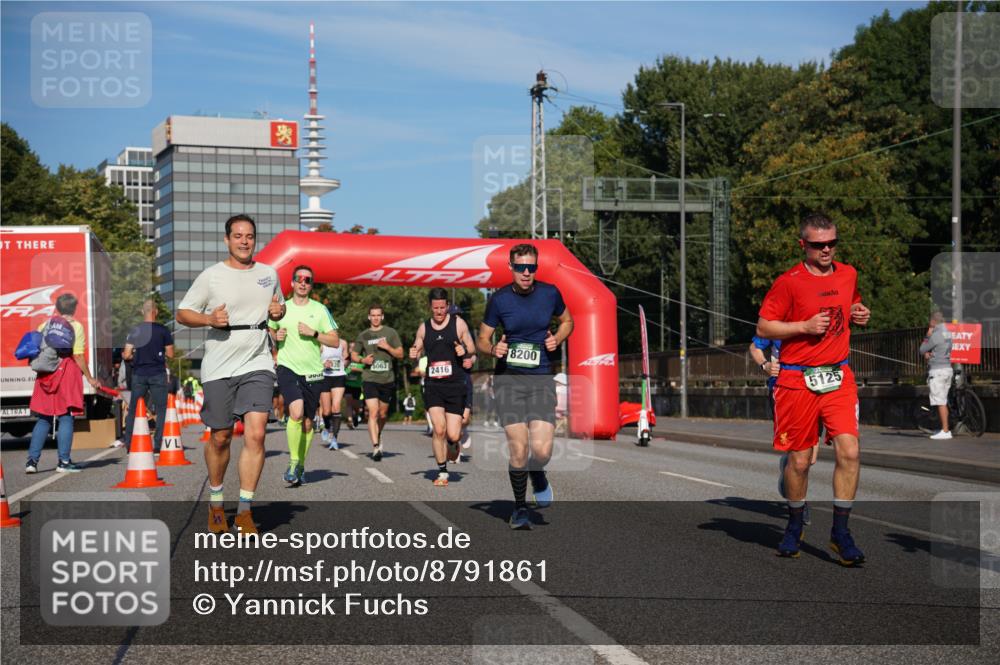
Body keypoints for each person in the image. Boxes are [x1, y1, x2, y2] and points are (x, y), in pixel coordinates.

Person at [757, 212, 870, 565]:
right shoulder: (788, 282)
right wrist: (803, 326)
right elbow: (764, 327)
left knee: (849, 452)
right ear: (802, 244)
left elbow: (851, 304)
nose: (826, 250)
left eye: (832, 243)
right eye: (819, 244)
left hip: (837, 377)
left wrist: (859, 313)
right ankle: (793, 525)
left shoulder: (849, 273)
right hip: (795, 379)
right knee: (800, 461)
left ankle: (841, 533)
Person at [177, 214, 286, 535]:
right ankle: (215, 500)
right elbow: (183, 313)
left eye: (249, 236)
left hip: (257, 360)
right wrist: (209, 319)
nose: (244, 241)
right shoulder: (212, 276)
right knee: (221, 436)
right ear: (227, 240)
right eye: (237, 236)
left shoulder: (269, 274)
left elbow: (277, 307)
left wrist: (279, 311)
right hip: (220, 363)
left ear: (255, 240)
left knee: (256, 433)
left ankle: (244, 510)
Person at [477, 243, 573, 529]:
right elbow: (483, 338)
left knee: (541, 452)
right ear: (511, 268)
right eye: (521, 267)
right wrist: (492, 349)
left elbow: (567, 320)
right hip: (508, 381)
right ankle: (519, 509)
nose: (527, 272)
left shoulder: (550, 293)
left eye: (531, 267)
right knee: (518, 448)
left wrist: (559, 336)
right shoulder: (499, 300)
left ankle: (537, 472)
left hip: (541, 379)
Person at [269, 265, 339, 485]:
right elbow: (269, 330)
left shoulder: (320, 310)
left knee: (308, 424)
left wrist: (314, 333)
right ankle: (292, 463)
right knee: (296, 412)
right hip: (287, 367)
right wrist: (275, 335)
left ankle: (300, 465)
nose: (303, 282)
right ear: (292, 283)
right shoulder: (282, 308)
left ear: (311, 285)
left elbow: (335, 340)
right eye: (299, 279)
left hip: (313, 372)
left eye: (307, 280)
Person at [25, 292, 101, 474]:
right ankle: (64, 462)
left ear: (57, 308)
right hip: (66, 373)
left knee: (43, 418)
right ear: (74, 308)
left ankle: (31, 462)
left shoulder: (45, 325)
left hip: (45, 375)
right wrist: (90, 378)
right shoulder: (76, 327)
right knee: (66, 417)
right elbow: (78, 355)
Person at [410, 289, 476, 486]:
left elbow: (472, 349)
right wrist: (414, 352)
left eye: (442, 307)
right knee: (439, 429)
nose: (439, 312)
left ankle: (453, 443)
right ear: (430, 307)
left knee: (453, 434)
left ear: (447, 306)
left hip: (455, 385)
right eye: (435, 308)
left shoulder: (459, 324)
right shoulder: (424, 328)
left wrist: (463, 350)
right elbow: (417, 348)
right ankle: (442, 472)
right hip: (433, 385)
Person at [750, 335, 816, 525]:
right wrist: (765, 365)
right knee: (798, 452)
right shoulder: (778, 323)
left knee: (809, 457)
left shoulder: (818, 317)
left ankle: (788, 467)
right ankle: (800, 504)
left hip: (814, 389)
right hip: (782, 388)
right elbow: (754, 347)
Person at [121, 299, 174, 454]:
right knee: (161, 409)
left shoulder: (135, 330)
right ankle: (158, 446)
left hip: (139, 374)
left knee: (134, 410)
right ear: (156, 312)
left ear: (142, 312)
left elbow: (126, 354)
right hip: (158, 373)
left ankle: (130, 445)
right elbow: (170, 354)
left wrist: (135, 356)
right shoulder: (163, 330)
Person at [351, 304, 403, 461]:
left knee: (382, 413)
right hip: (370, 378)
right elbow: (353, 355)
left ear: (382, 316)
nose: (375, 318)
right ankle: (375, 447)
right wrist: (362, 359)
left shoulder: (390, 333)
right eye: (372, 315)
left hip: (387, 379)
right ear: (369, 317)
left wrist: (388, 347)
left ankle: (378, 434)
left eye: (378, 315)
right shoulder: (364, 335)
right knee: (373, 412)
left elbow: (400, 354)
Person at [919, 311, 953, 440]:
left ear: (933, 322)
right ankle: (944, 429)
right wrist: (933, 353)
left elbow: (922, 349)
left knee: (940, 401)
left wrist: (927, 336)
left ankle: (945, 430)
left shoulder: (935, 334)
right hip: (947, 368)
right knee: (943, 400)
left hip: (937, 371)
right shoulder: (948, 333)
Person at [320, 334, 350, 449]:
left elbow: (346, 358)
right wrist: (323, 364)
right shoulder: (321, 343)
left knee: (336, 407)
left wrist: (346, 362)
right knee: (326, 412)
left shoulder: (342, 343)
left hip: (339, 376)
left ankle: (334, 439)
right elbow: (313, 360)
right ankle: (327, 426)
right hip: (324, 377)